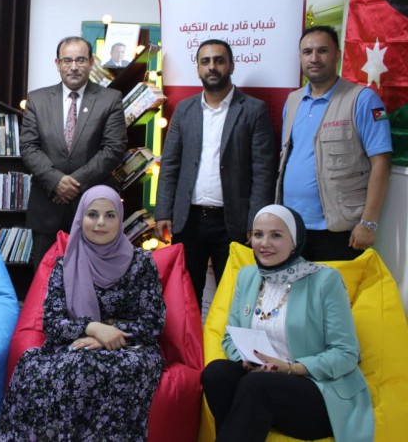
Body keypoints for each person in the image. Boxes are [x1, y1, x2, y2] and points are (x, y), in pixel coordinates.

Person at [0, 185, 165, 441]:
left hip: (130, 349)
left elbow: (153, 322)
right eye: (92, 214)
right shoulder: (65, 264)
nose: (100, 222)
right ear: (80, 218)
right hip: (76, 343)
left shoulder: (142, 263)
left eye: (110, 215)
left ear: (120, 219)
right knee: (34, 365)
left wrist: (109, 335)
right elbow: (52, 323)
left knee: (91, 367)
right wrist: (93, 328)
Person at [201, 204, 373, 442]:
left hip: (317, 391)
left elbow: (346, 353)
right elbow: (231, 336)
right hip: (260, 382)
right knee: (216, 373)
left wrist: (291, 368)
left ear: (295, 241)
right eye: (258, 234)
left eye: (276, 235)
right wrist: (247, 361)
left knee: (257, 384)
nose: (264, 243)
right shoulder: (248, 276)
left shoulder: (325, 280)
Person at [155, 39, 276, 308]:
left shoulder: (253, 110)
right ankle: (191, 339)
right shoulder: (184, 109)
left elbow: (263, 171)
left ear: (231, 65)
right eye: (205, 61)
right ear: (198, 68)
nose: (212, 67)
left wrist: (256, 222)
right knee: (186, 298)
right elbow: (170, 164)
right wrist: (163, 211)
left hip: (234, 223)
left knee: (234, 299)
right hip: (188, 221)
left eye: (219, 60)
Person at [277, 25, 392, 261]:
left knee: (334, 287)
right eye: (307, 52)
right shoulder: (293, 100)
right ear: (300, 57)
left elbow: (381, 162)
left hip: (338, 230)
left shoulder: (362, 99)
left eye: (322, 50)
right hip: (292, 227)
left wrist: (368, 223)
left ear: (337, 54)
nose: (314, 58)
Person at [21, 36, 127, 269]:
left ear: (91, 62)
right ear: (58, 63)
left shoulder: (110, 99)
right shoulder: (37, 99)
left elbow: (114, 148)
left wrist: (73, 184)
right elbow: (28, 147)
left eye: (80, 60)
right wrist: (56, 181)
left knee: (93, 277)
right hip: (48, 206)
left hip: (94, 209)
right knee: (45, 279)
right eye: (67, 60)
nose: (74, 66)